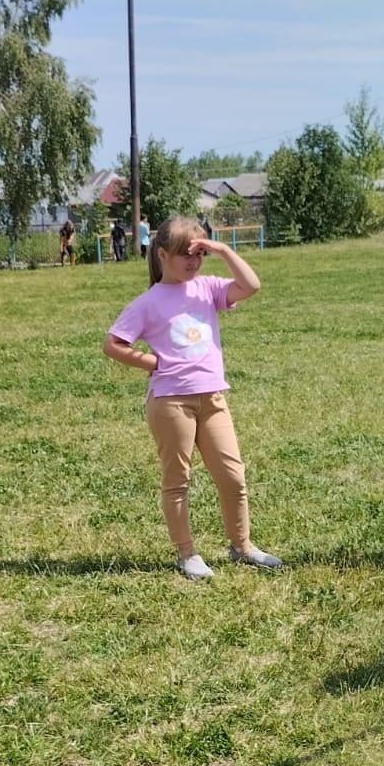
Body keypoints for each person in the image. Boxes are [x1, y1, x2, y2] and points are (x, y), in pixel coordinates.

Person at [101, 215, 283, 580]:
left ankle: (242, 546)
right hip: (171, 403)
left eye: (199, 254)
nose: (194, 262)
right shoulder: (148, 302)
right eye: (186, 254)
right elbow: (113, 343)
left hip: (212, 398)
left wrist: (222, 249)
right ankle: (187, 554)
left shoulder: (208, 288)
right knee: (177, 479)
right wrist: (150, 361)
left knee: (232, 476)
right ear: (163, 255)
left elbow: (250, 285)